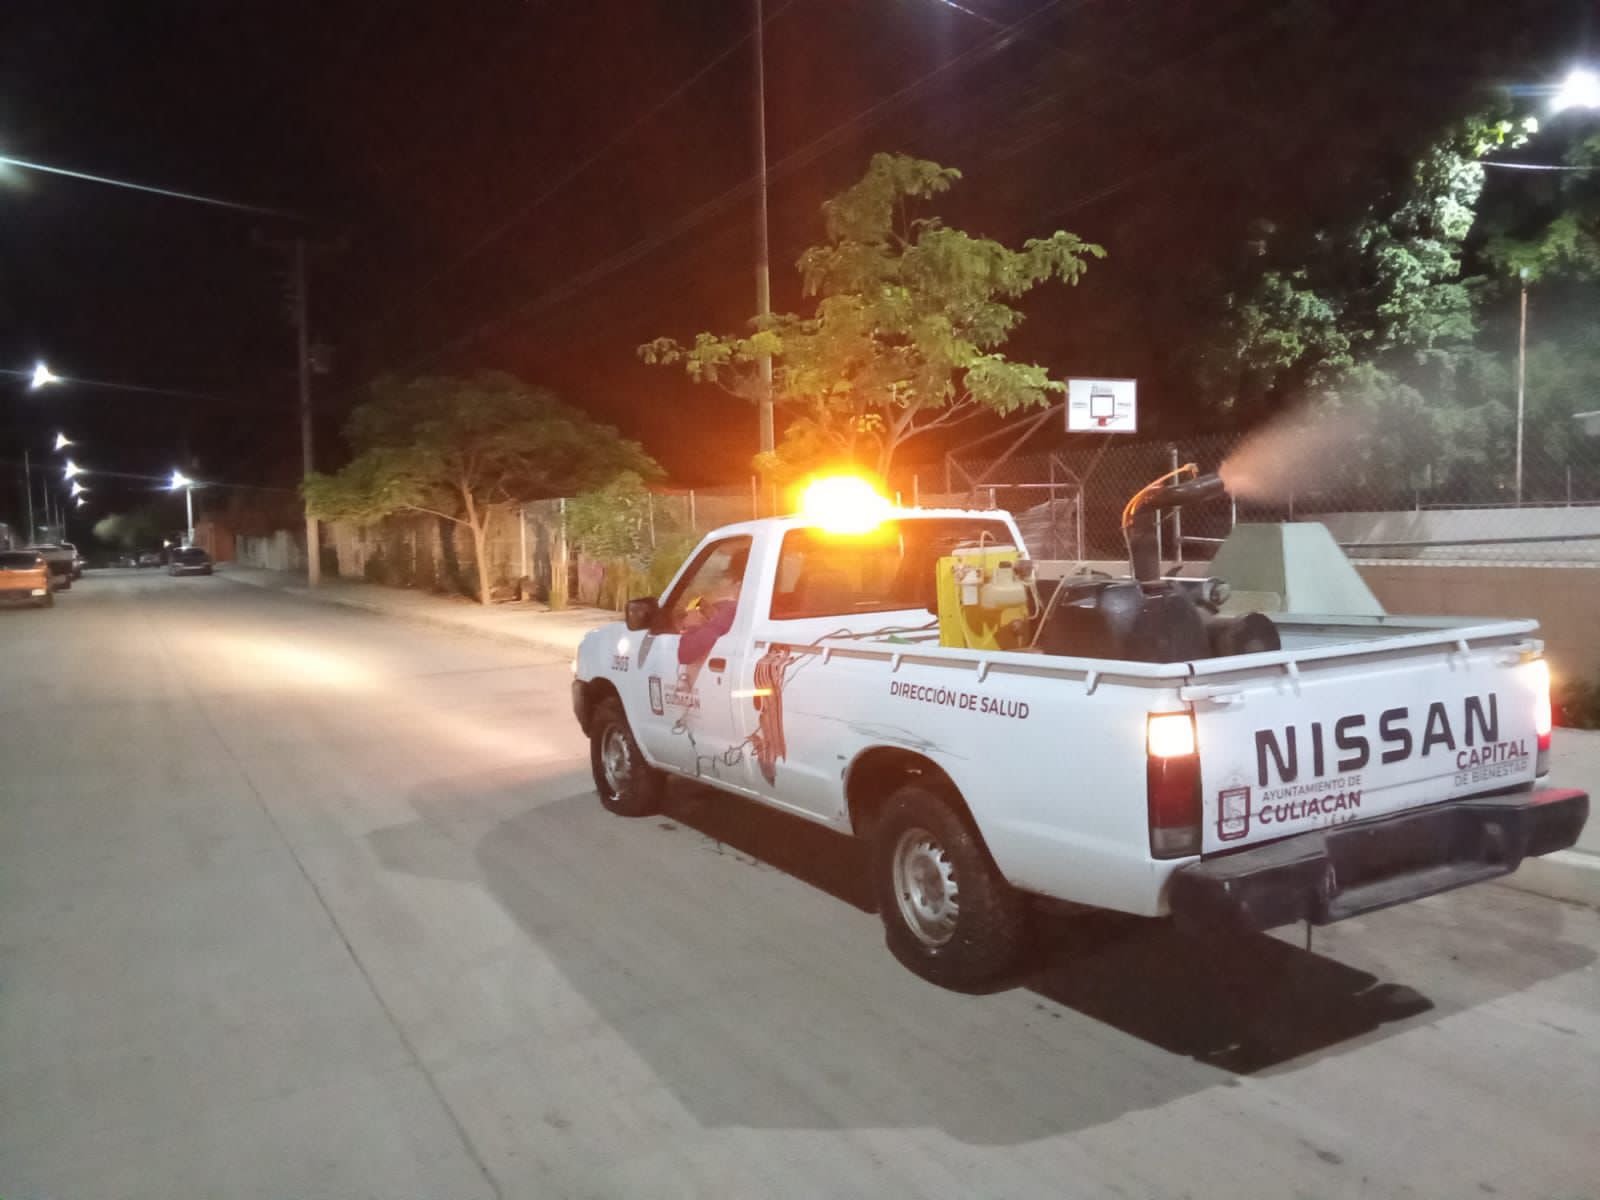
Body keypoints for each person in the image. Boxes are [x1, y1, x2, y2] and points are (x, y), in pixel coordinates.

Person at [676, 548, 747, 665]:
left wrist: (692, 626)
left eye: (730, 579)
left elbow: (685, 655)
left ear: (737, 582)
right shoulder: (759, 610)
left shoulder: (731, 612)